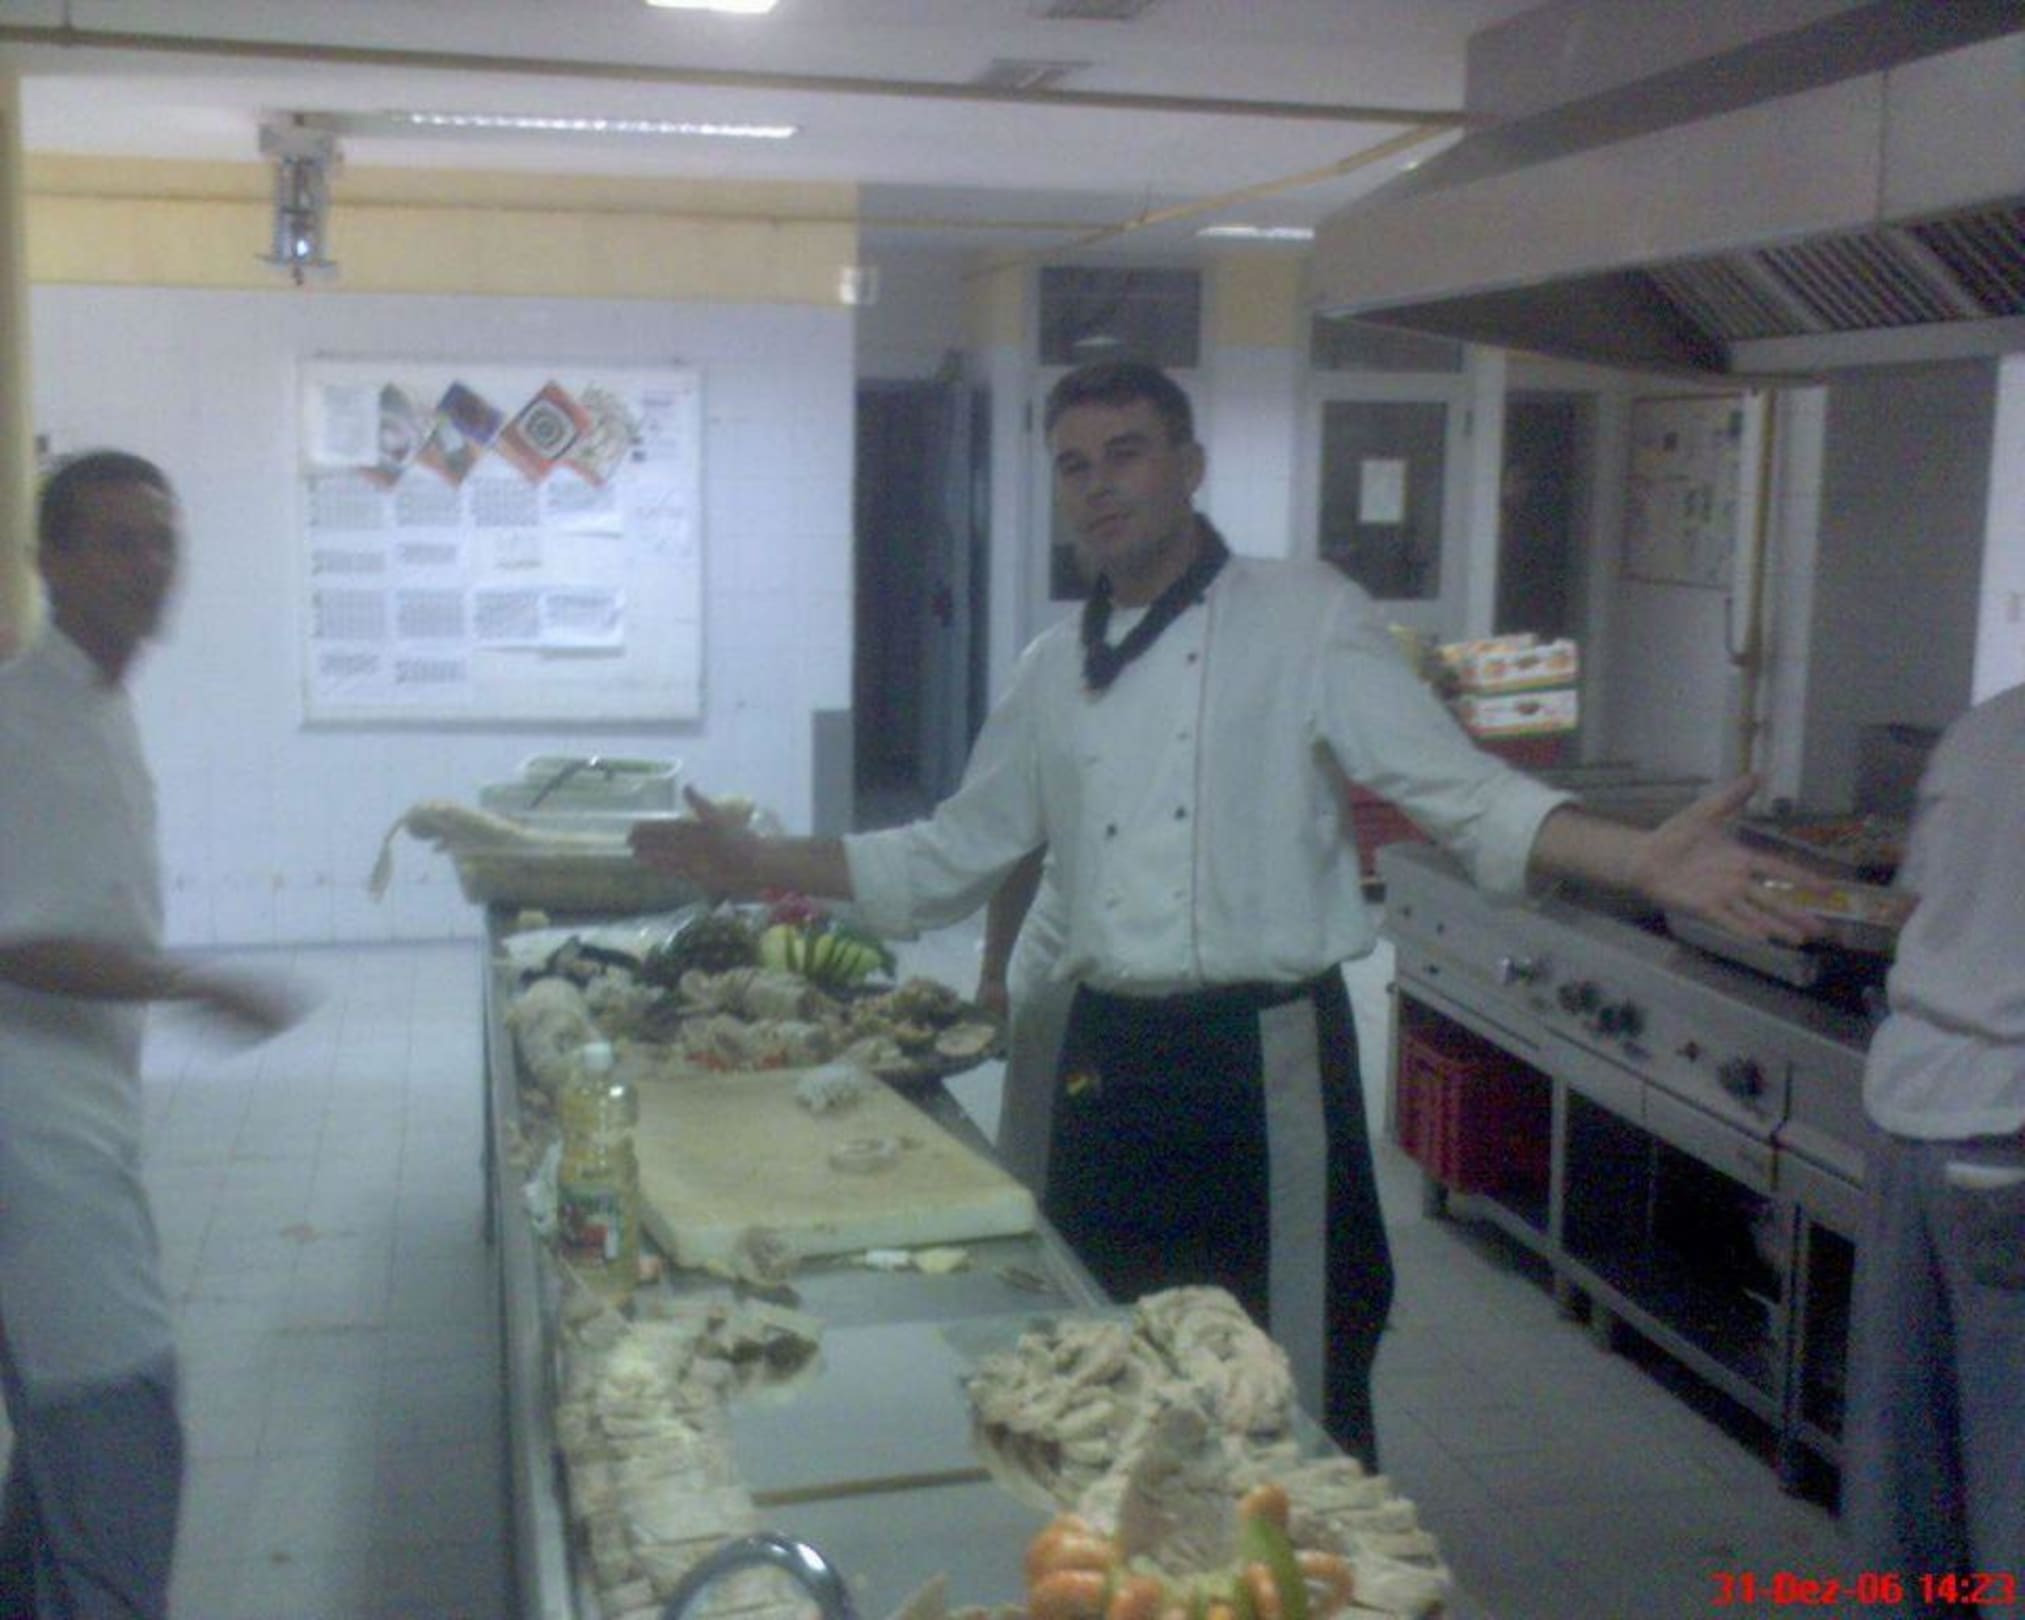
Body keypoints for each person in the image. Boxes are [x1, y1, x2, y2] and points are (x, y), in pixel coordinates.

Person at [632, 360, 1816, 1466]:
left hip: (1266, 1060)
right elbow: (952, 854)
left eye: (1127, 453)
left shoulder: (1306, 617)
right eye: (1074, 465)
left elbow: (1462, 793)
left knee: (1293, 1374)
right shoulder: (1052, 667)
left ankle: (1315, 1570)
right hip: (1105, 1056)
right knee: (1101, 1358)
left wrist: (1637, 861)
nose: (1100, 485)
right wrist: (758, 860)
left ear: (1190, 467)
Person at [0, 451, 298, 1619]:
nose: (149, 565)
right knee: (119, 1444)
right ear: (49, 560)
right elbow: (13, 937)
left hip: (80, 1119)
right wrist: (191, 981)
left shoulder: (99, 704)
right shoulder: (23, 719)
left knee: (55, 1475)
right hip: (35, 1146)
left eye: (162, 540)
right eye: (118, 541)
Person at [1841, 680, 2024, 1616]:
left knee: (1904, 1477)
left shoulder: (1984, 727)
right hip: (2008, 1131)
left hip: (1911, 1121)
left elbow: (1917, 902)